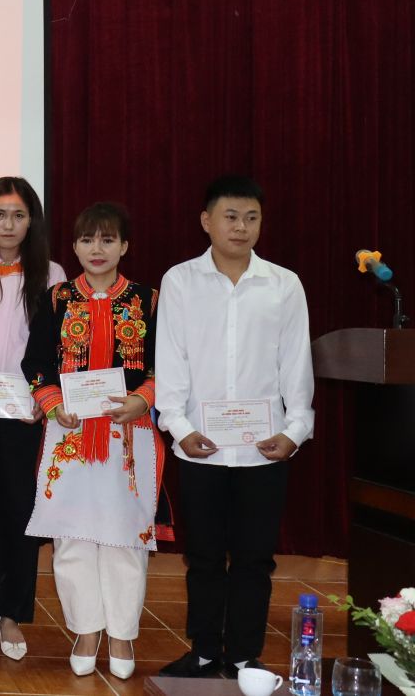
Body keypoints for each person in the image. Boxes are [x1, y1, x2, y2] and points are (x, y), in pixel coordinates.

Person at [155, 176, 314, 678]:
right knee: (202, 557)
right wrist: (179, 427)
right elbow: (172, 359)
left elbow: (296, 363)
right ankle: (204, 651)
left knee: (254, 559)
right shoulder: (180, 281)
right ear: (207, 221)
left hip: (264, 449)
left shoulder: (284, 284)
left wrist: (295, 429)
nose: (241, 227)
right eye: (230, 216)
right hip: (199, 444)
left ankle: (245, 654)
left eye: (251, 217)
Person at [22, 202, 161, 680]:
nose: (96, 249)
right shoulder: (56, 299)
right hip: (70, 433)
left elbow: (167, 364)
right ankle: (85, 630)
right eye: (87, 240)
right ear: (75, 247)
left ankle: (121, 634)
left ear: (125, 246)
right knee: (72, 537)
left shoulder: (148, 301)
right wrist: (52, 403)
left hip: (129, 436)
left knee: (126, 536)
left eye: (107, 239)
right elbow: (36, 363)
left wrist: (143, 399)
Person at [0, 177, 66, 661]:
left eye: (19, 216)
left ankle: (11, 615)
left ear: (32, 222)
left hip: (26, 415)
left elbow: (57, 347)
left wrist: (42, 399)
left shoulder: (52, 274)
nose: (8, 224)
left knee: (20, 513)